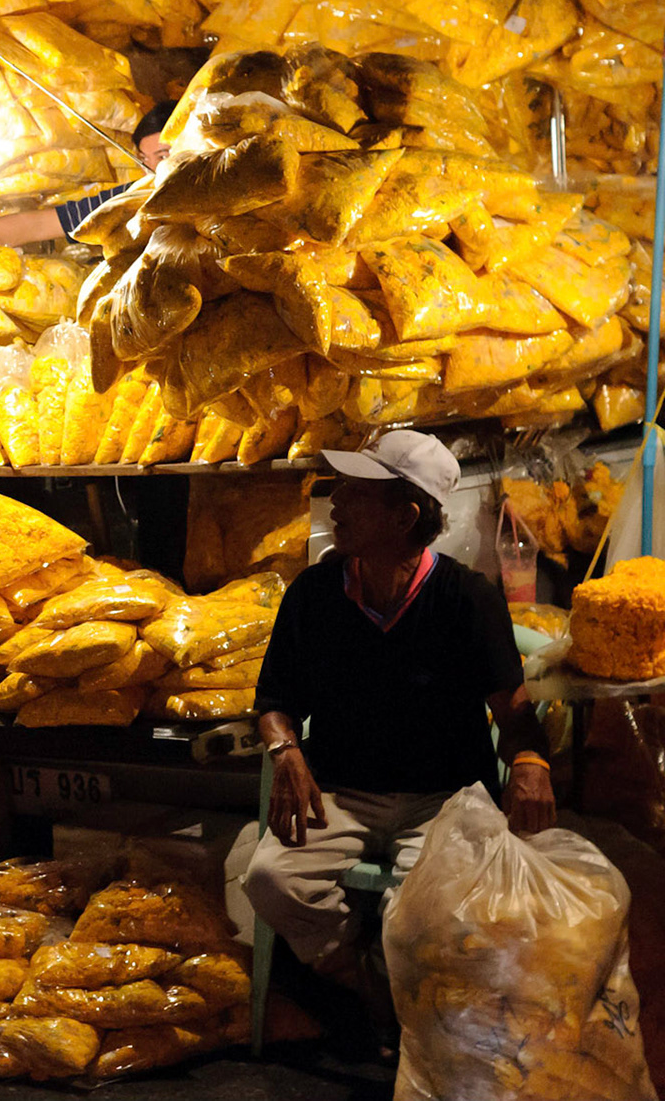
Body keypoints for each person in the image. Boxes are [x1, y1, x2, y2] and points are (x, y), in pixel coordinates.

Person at [241, 429, 556, 1047]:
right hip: (340, 794)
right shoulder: (312, 595)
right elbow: (273, 702)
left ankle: (404, 1001)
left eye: (355, 493)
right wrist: (286, 750)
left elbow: (514, 713)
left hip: (443, 799)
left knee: (425, 914)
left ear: (406, 515)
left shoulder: (468, 599)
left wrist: (529, 758)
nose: (335, 503)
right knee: (270, 880)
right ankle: (366, 983)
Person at [0, 101, 176, 254]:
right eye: (144, 160)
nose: (153, 171)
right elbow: (36, 226)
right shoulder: (130, 200)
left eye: (163, 156)